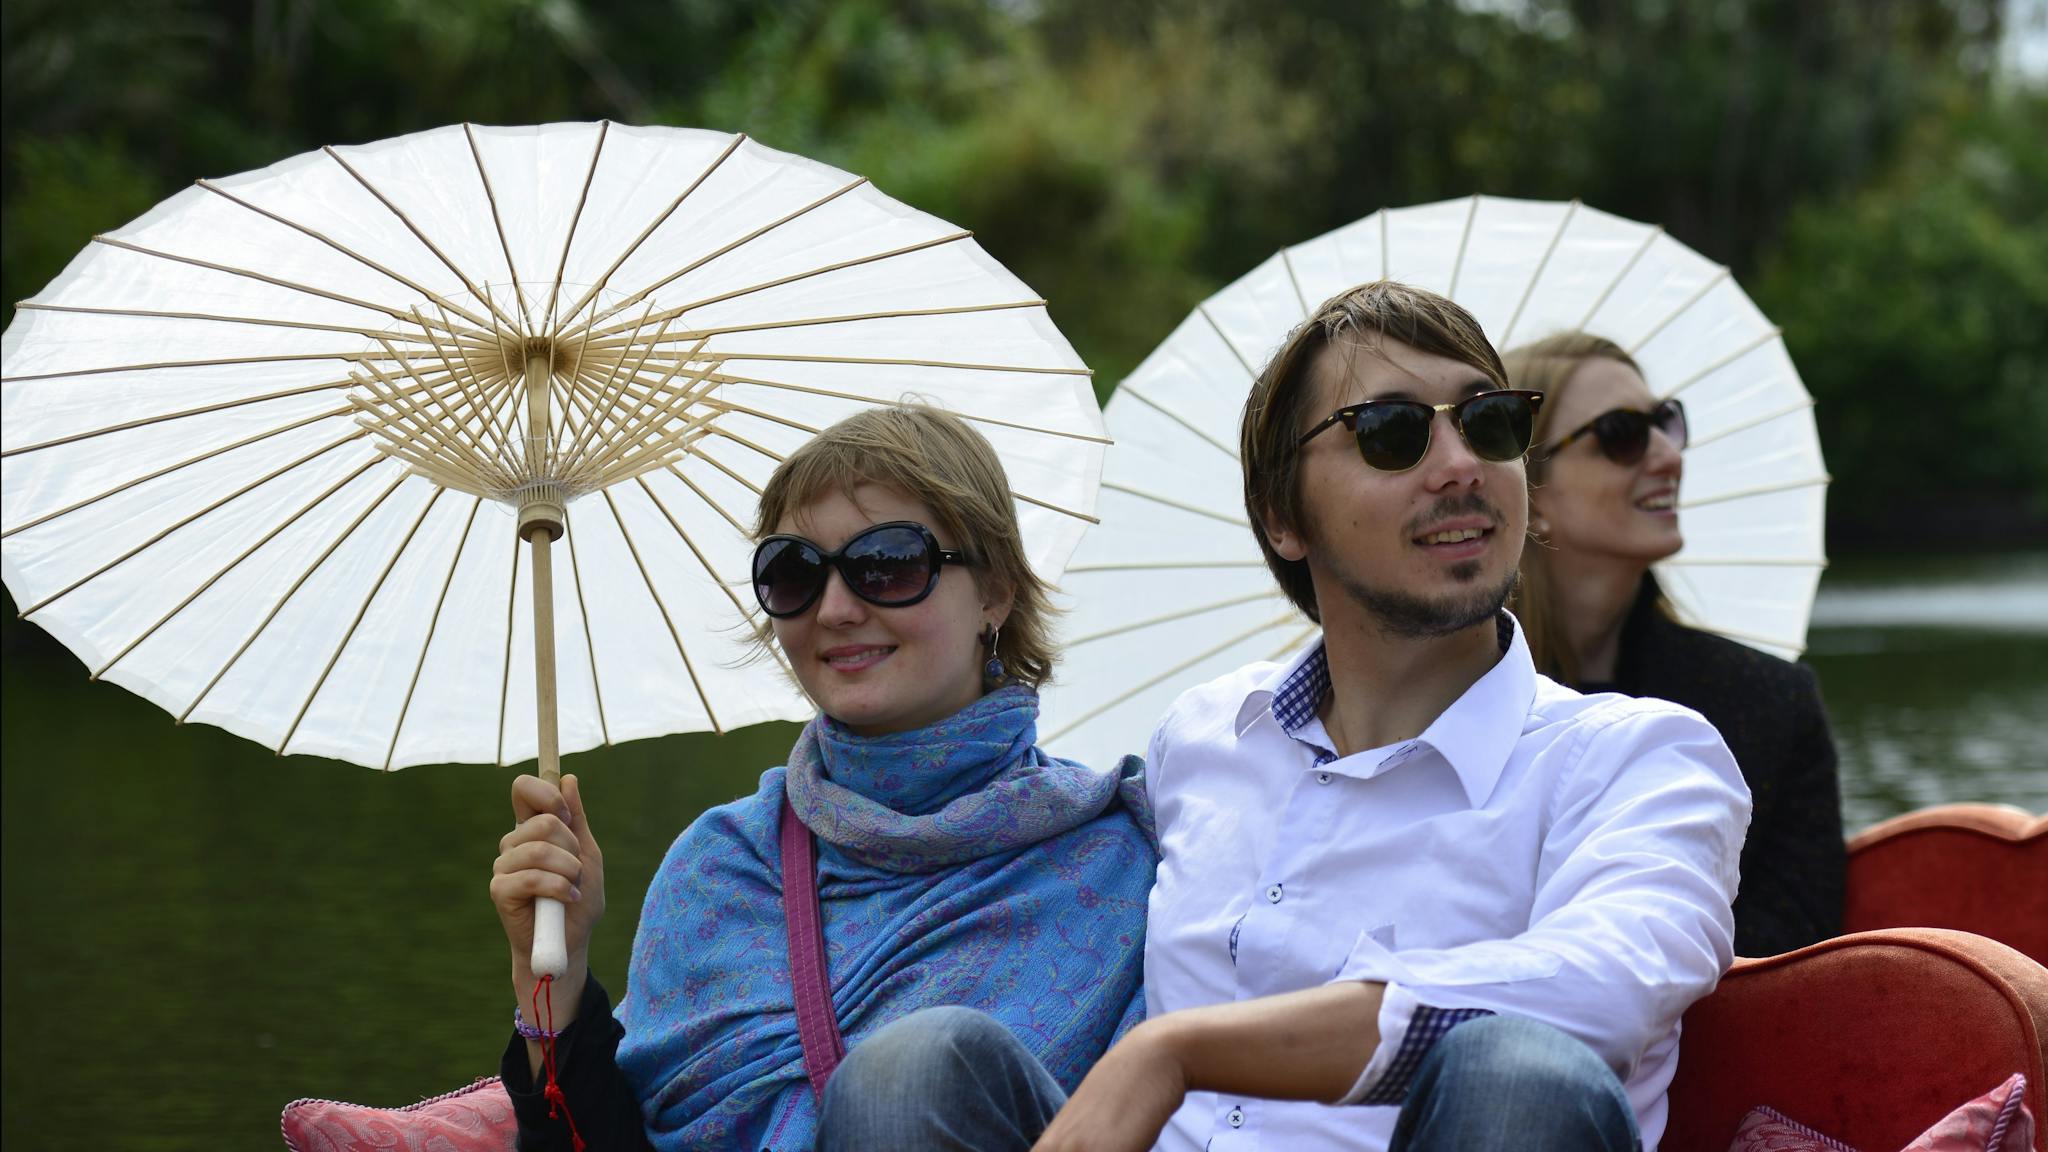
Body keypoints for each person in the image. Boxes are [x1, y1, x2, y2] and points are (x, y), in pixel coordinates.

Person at [820, 282, 1750, 1152]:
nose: (1461, 465)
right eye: (1391, 434)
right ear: (1281, 519)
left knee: (1520, 1070)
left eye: (1490, 422)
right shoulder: (1203, 739)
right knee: (914, 1064)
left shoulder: (1642, 758)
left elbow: (1599, 993)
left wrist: (1178, 1051)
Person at [487, 404, 1156, 1151]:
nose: (836, 610)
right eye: (795, 572)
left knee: (917, 1070)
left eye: (889, 564)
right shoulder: (719, 868)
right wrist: (554, 979)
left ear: (994, 592)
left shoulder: (1121, 862)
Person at [1501, 331, 1844, 957]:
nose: (1667, 455)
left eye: (1666, 422)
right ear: (1532, 494)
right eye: (1622, 434)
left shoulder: (1770, 704)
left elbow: (1793, 956)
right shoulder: (1445, 701)